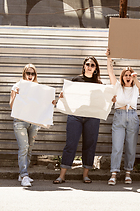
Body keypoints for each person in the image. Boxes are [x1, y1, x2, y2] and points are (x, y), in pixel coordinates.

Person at [105, 49, 140, 185]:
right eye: (126, 74)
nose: (128, 76)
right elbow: (110, 72)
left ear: (133, 77)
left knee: (131, 147)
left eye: (130, 75)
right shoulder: (118, 86)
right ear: (122, 77)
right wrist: (109, 58)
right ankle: (113, 174)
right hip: (119, 116)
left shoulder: (137, 87)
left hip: (132, 117)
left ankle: (128, 173)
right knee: (117, 146)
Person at [53, 56, 102, 184]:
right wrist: (62, 97)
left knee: (89, 145)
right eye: (88, 64)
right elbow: (68, 97)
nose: (90, 67)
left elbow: (102, 102)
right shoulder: (76, 80)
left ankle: (85, 175)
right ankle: (62, 176)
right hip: (75, 116)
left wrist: (110, 100)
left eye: (92, 65)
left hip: (92, 117)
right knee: (71, 144)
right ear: (84, 66)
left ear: (96, 68)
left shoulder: (99, 84)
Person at [9, 63, 56, 187]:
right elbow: (11, 106)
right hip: (20, 121)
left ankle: (22, 174)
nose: (30, 75)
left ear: (35, 75)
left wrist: (51, 103)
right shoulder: (17, 86)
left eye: (33, 73)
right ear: (24, 74)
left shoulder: (38, 88)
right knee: (23, 147)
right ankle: (24, 175)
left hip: (34, 122)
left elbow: (42, 105)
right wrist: (16, 96)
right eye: (28, 73)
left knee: (29, 148)